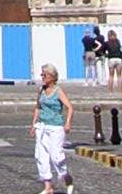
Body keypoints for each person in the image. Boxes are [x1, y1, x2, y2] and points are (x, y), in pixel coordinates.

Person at [31, 64, 75, 193]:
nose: (42, 77)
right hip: (42, 126)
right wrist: (34, 124)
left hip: (55, 127)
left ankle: (67, 177)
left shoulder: (58, 91)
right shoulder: (41, 90)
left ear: (52, 76)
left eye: (45, 75)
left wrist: (67, 123)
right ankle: (48, 186)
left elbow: (70, 107)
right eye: (42, 75)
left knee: (56, 156)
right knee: (40, 156)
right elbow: (38, 107)